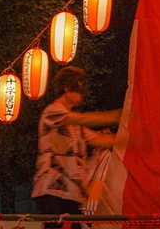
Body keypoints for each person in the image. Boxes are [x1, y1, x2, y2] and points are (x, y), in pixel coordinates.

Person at [31, 66, 122, 218]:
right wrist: (119, 115)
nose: (82, 93)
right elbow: (83, 118)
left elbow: (102, 140)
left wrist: (132, 135)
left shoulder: (76, 126)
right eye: (79, 88)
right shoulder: (52, 112)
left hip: (73, 194)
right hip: (52, 190)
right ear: (67, 88)